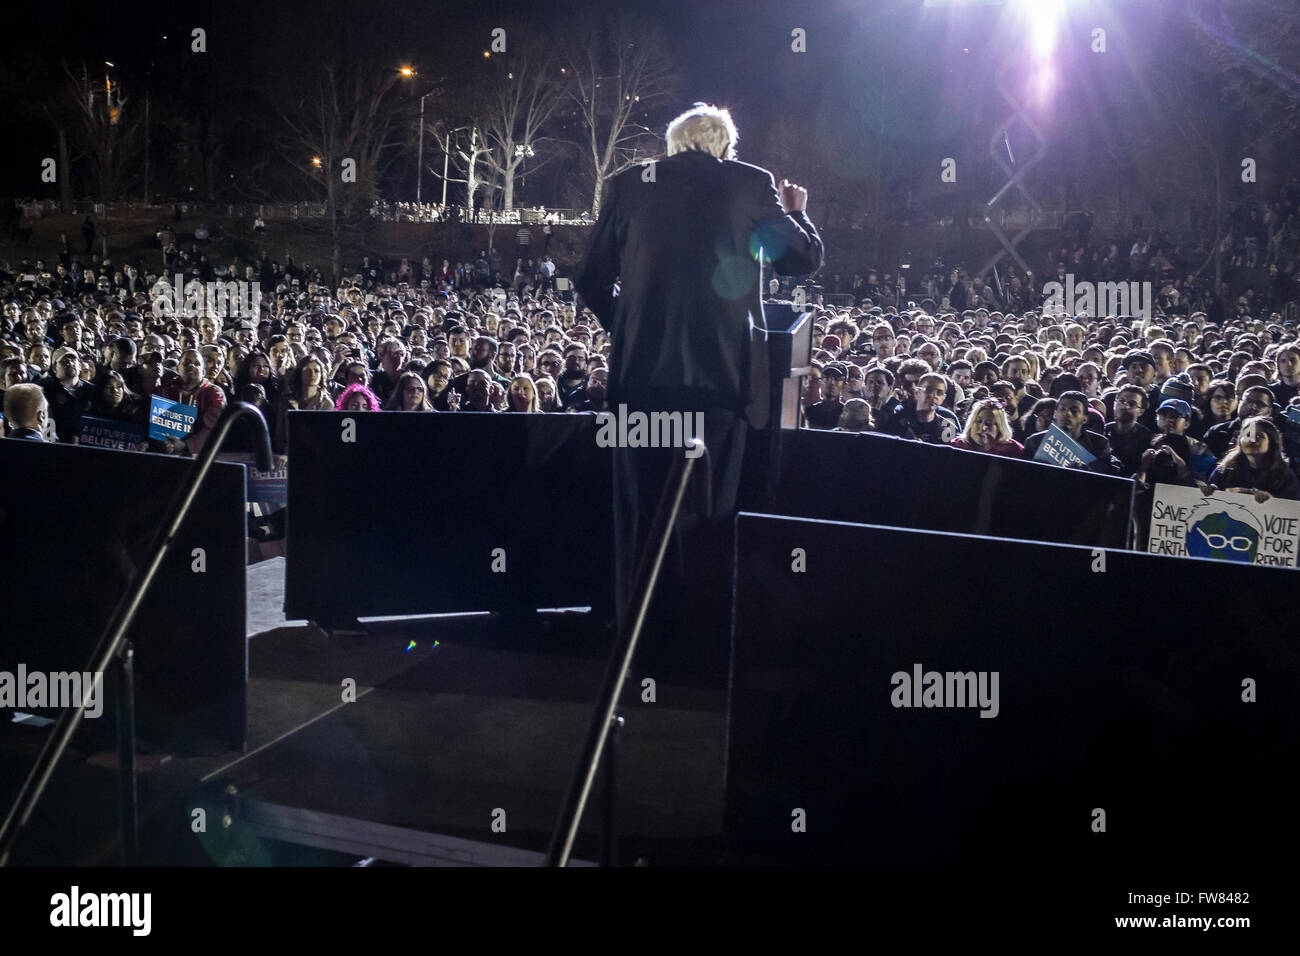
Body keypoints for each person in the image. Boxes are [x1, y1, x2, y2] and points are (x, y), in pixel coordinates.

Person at [574, 102, 823, 678]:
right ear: (725, 145)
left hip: (640, 386)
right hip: (722, 388)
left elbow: (589, 277)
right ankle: (704, 648)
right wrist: (797, 214)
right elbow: (801, 261)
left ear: (673, 144)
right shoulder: (751, 183)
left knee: (637, 514)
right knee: (712, 513)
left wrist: (629, 328)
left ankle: (634, 643)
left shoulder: (629, 184)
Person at [1208, 416, 1300, 501]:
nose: (1252, 439)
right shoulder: (1225, 468)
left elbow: (1292, 507)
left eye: (1259, 436)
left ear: (1271, 443)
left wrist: (1272, 502)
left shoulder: (1284, 474)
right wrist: (1211, 491)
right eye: (1247, 435)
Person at [951, 398, 1023, 457]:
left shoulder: (1013, 450)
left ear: (1000, 428)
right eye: (978, 421)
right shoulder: (956, 446)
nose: (983, 427)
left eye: (989, 424)